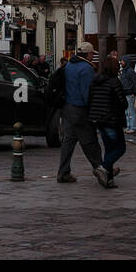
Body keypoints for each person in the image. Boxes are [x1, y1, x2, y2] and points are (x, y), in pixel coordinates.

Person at [54, 41, 104, 184]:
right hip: (80, 109)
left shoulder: (69, 65)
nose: (92, 57)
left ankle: (63, 172)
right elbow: (86, 93)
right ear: (88, 54)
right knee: (90, 142)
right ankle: (102, 170)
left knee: (68, 142)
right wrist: (93, 111)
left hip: (67, 108)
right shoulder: (86, 68)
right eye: (91, 54)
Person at [88, 53, 128, 188]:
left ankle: (108, 180)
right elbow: (123, 103)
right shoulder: (114, 81)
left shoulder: (95, 80)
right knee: (120, 148)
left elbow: (91, 98)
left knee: (109, 149)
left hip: (98, 119)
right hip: (112, 119)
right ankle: (103, 168)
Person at [117, 54, 136, 134]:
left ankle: (133, 127)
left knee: (130, 111)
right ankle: (128, 126)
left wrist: (134, 92)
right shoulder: (124, 71)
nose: (121, 62)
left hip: (129, 93)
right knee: (126, 112)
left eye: (122, 61)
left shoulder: (130, 71)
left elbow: (135, 82)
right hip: (125, 93)